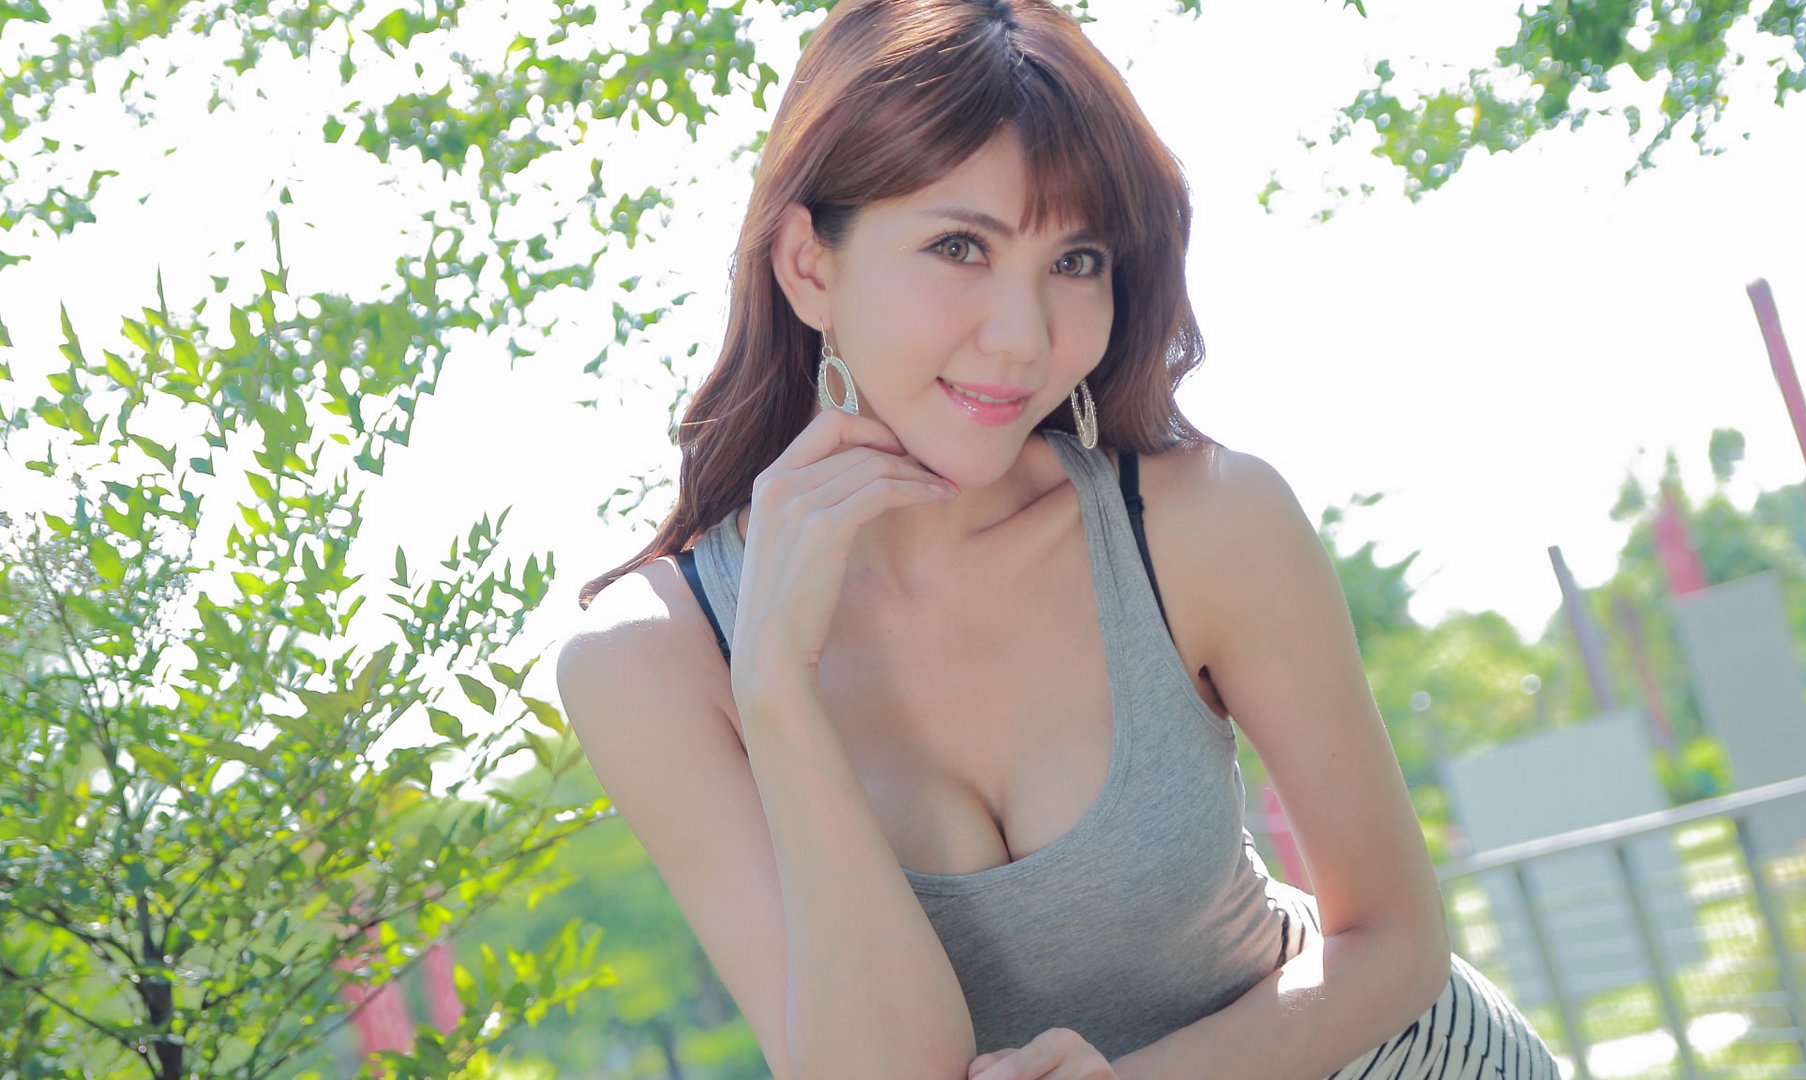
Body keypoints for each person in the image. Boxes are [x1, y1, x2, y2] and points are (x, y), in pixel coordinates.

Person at [558, 1, 1559, 1077]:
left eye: (1076, 260)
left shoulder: (1201, 523)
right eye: (959, 247)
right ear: (808, 265)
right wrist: (775, 688)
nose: (1025, 336)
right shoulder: (654, 661)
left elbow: (1395, 943)